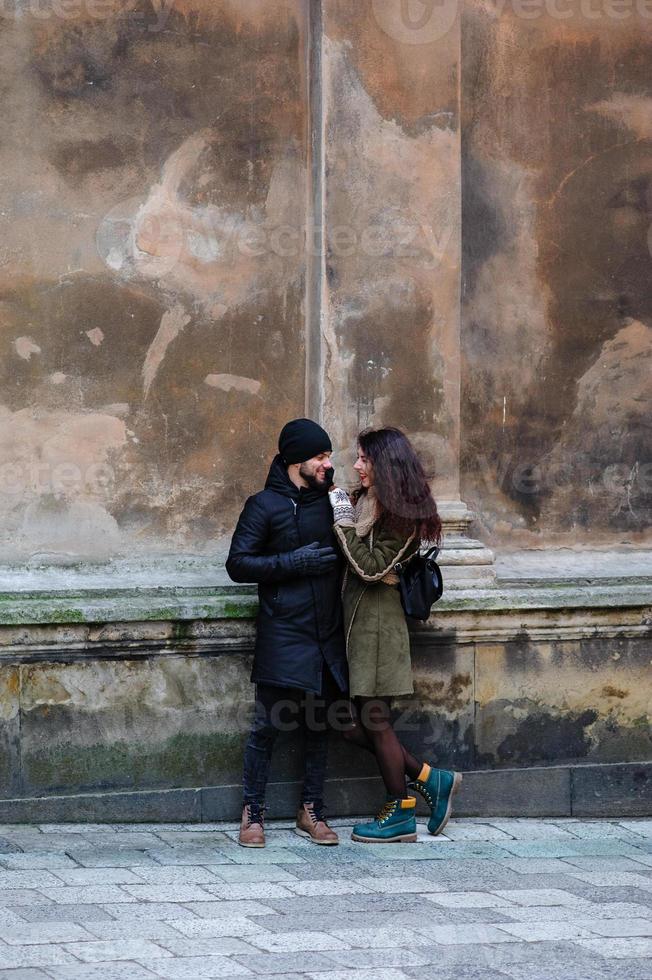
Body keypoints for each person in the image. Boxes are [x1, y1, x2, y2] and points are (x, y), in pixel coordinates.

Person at [328, 426, 462, 843]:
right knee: (347, 723)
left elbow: (369, 568)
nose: (356, 466)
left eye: (364, 459)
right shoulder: (366, 500)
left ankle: (400, 810)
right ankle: (429, 778)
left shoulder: (405, 517)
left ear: (385, 464)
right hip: (355, 623)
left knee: (374, 719)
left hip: (379, 625)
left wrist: (343, 522)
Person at [226, 418, 348, 847]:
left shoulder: (333, 501)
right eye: (320, 456)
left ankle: (310, 809)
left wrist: (343, 505)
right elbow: (238, 564)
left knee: (319, 724)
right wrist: (291, 563)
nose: (327, 464)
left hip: (326, 630)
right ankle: (253, 812)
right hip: (283, 630)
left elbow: (355, 545)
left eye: (329, 456)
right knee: (267, 726)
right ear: (297, 460)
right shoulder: (263, 505)